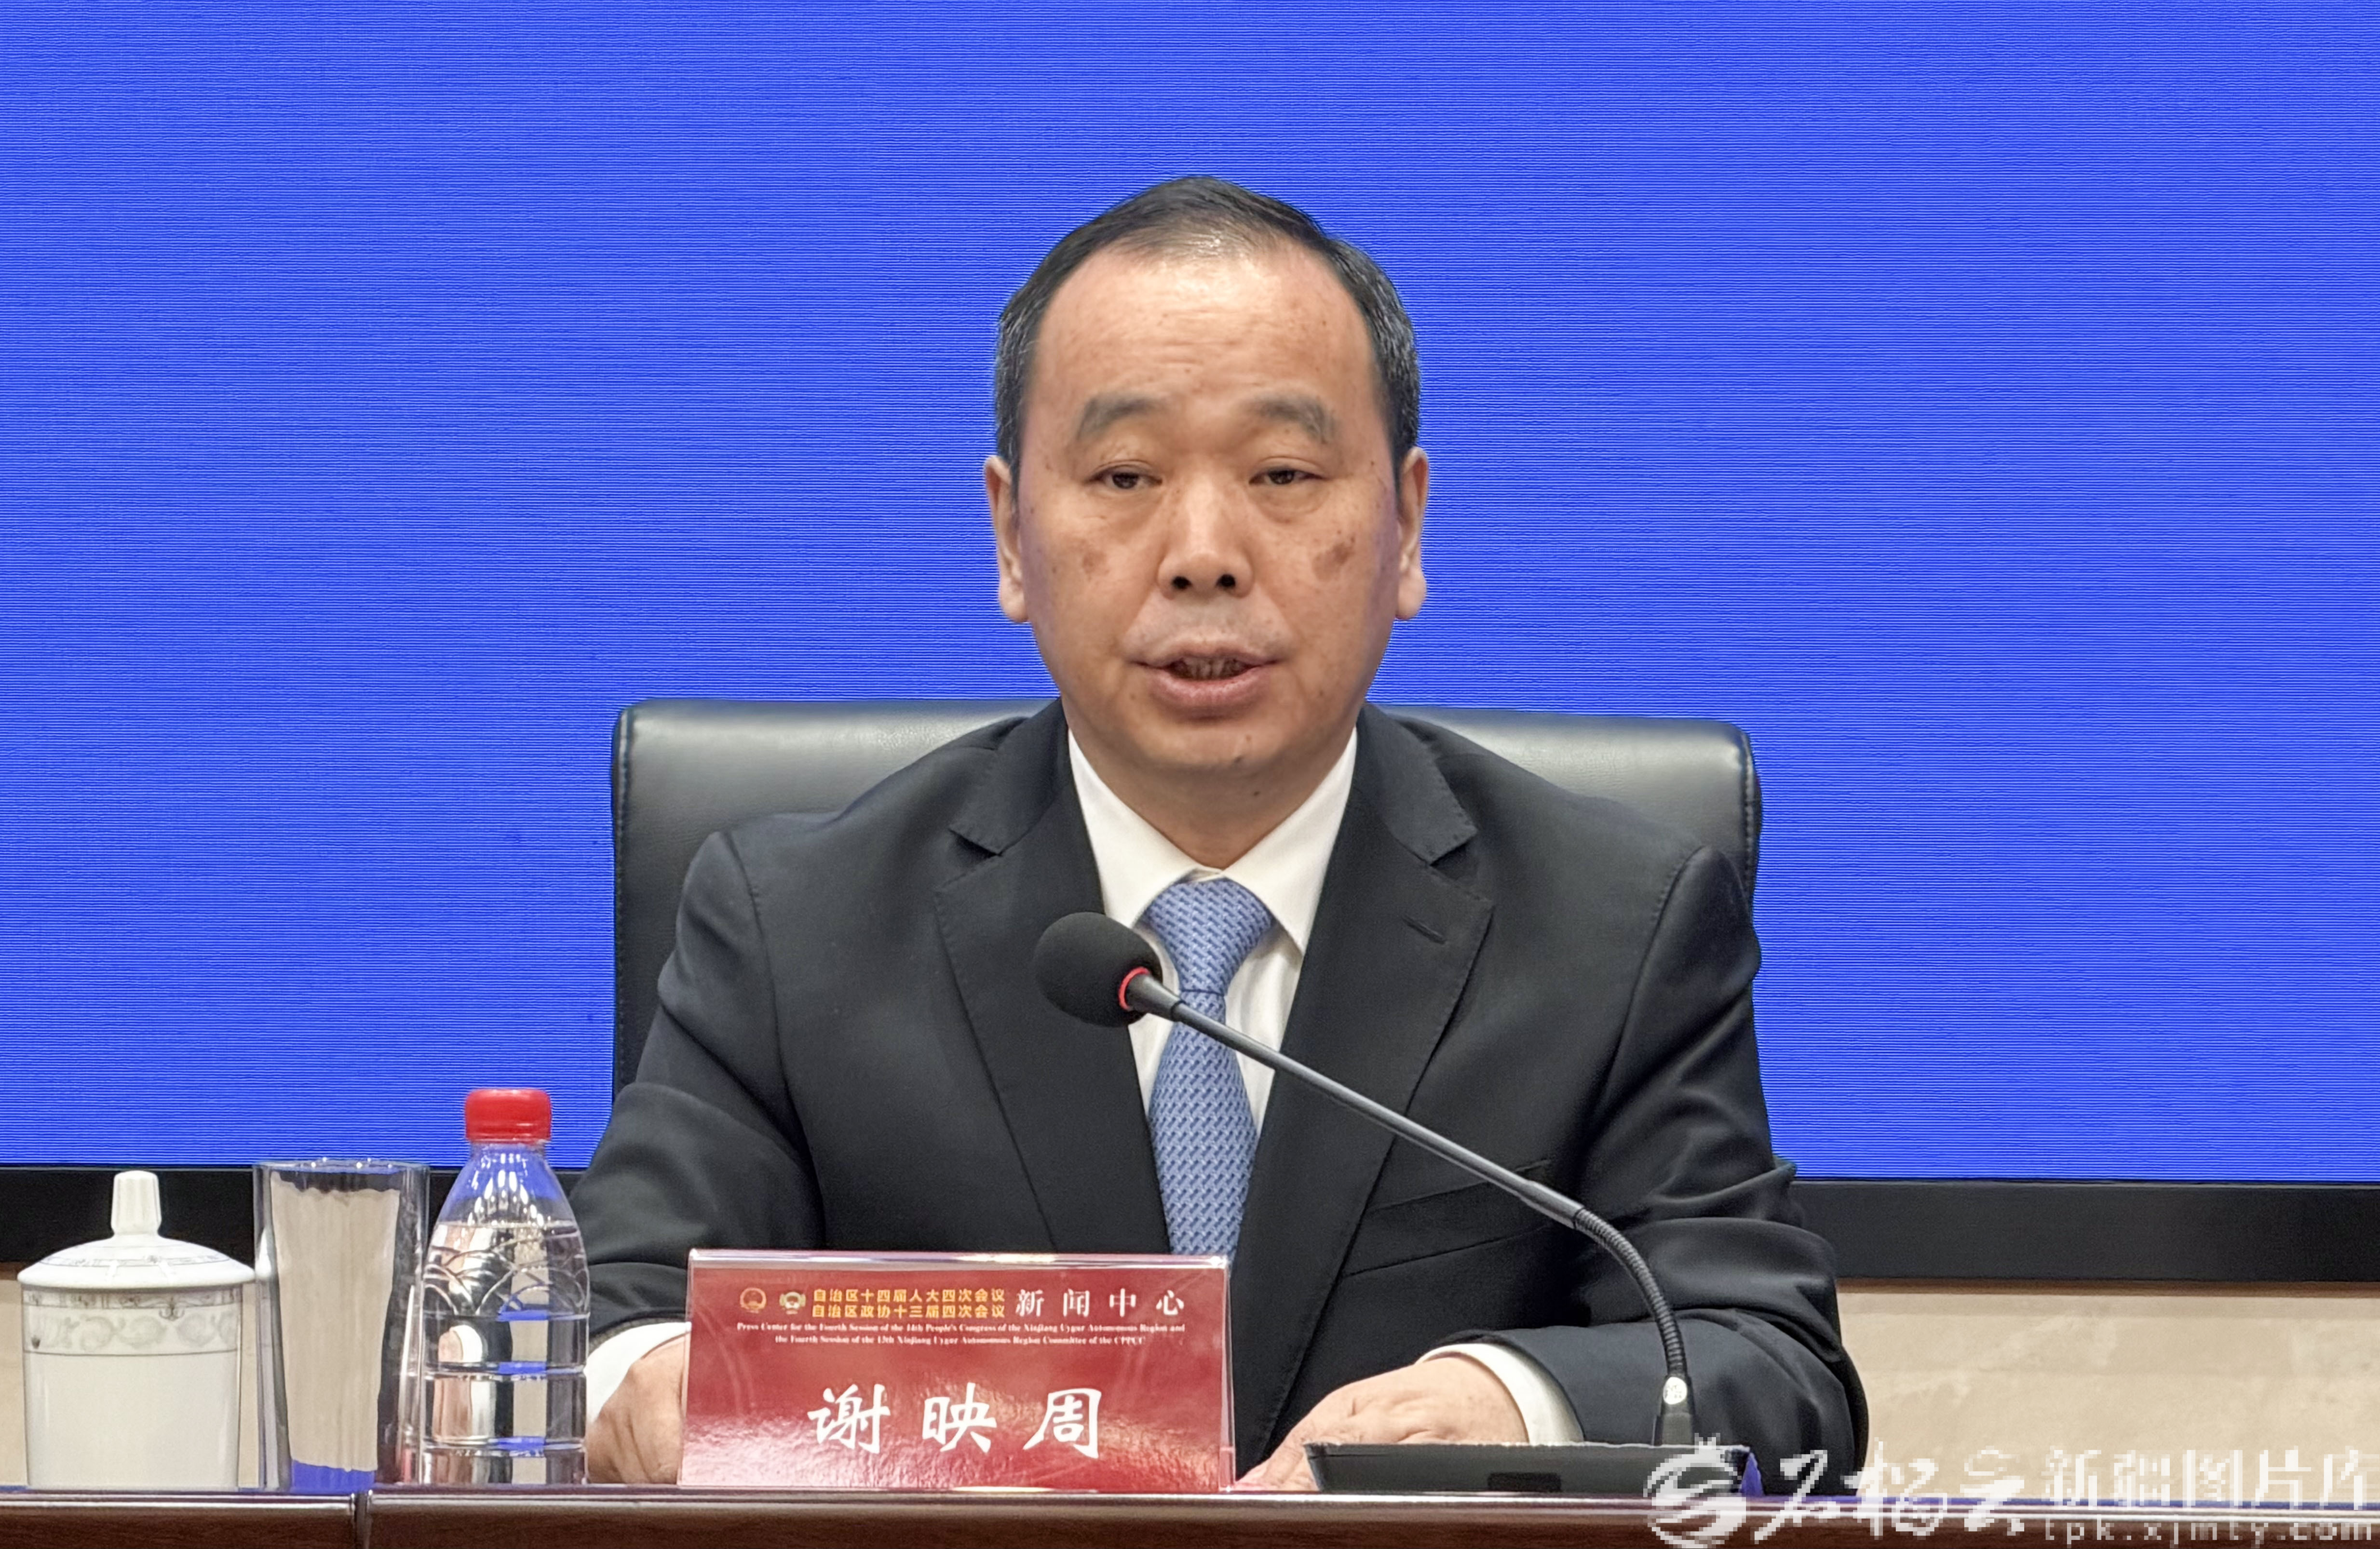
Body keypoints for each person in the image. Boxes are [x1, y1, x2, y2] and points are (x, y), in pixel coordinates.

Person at [574, 176, 1864, 1489]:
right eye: (1125, 475)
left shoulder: (1613, 925)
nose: (1204, 553)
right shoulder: (795, 924)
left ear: (1406, 528)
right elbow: (617, 1319)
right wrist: (656, 1387)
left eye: (1283, 474)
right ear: (1011, 535)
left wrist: (1507, 1399)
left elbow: (1767, 1363)